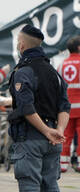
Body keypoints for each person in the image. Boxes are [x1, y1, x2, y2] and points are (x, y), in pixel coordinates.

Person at [8, 24, 71, 191]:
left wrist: (45, 131)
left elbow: (26, 107)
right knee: (50, 186)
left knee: (30, 186)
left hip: (31, 138)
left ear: (22, 45)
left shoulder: (23, 71)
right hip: (53, 139)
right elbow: (64, 106)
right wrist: (58, 130)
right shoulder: (54, 72)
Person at [57, 35, 80, 172]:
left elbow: (57, 87)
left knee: (65, 135)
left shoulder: (61, 65)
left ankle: (62, 165)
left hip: (66, 108)